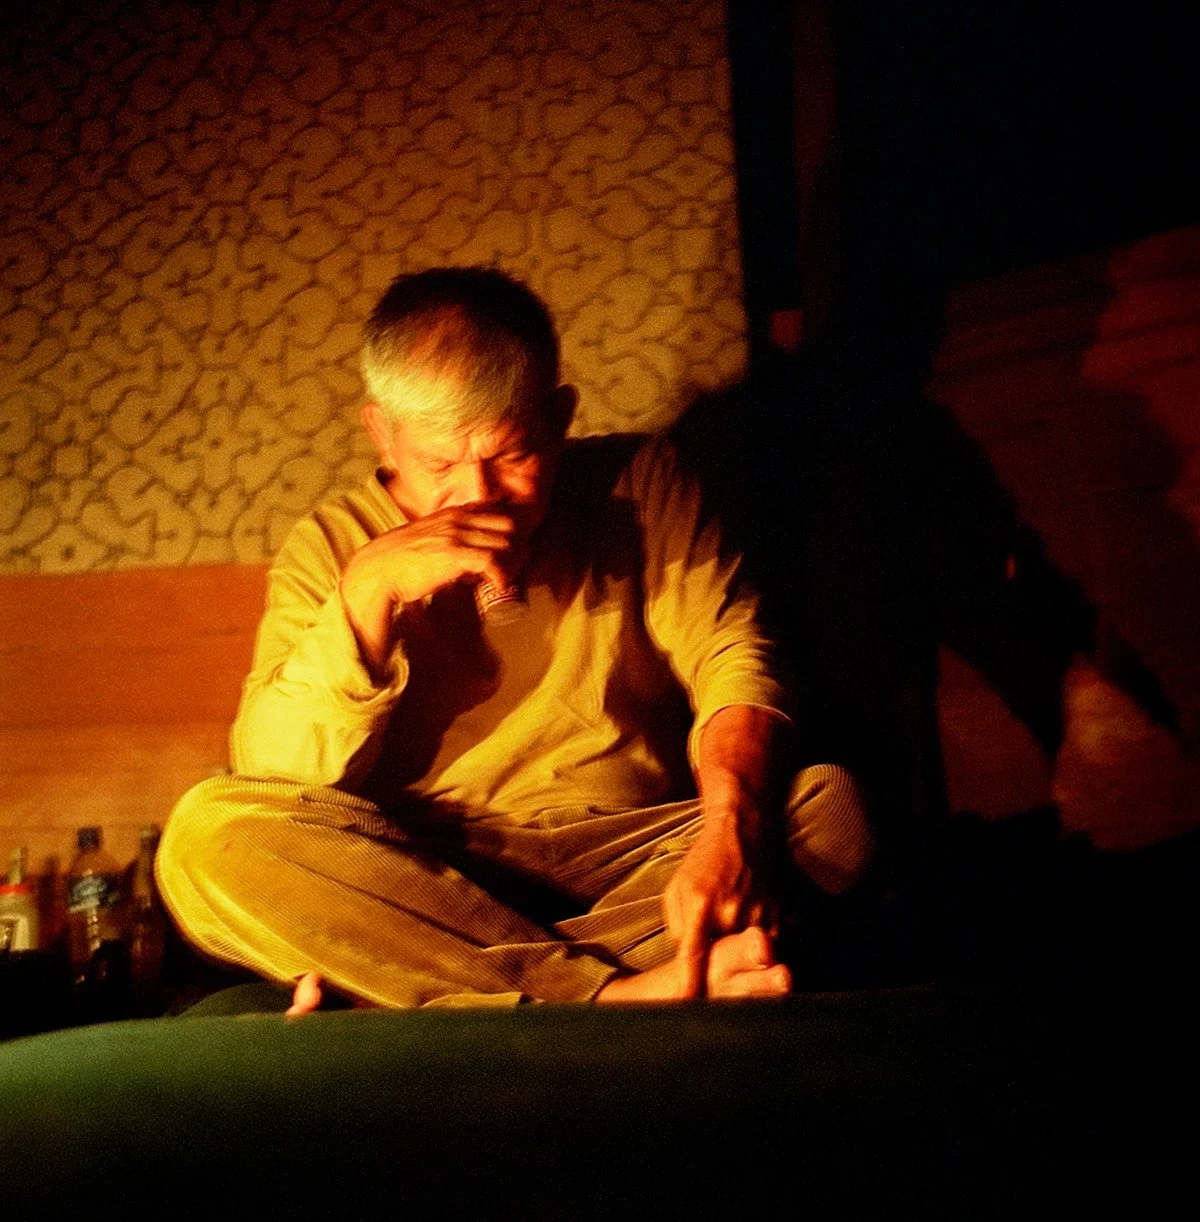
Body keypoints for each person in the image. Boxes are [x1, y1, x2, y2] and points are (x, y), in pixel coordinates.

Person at [156, 266, 872, 1009]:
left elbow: (735, 655)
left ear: (560, 418)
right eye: (440, 464)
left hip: (622, 858)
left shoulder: (638, 482)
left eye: (512, 454)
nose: (478, 495)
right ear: (384, 434)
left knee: (829, 809)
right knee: (207, 836)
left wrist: (731, 824)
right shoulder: (331, 545)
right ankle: (613, 996)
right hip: (434, 870)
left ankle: (433, 988)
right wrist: (368, 593)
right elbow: (272, 773)